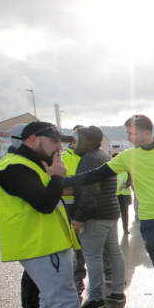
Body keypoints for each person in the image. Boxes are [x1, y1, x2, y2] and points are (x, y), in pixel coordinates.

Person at [0, 121, 108, 308]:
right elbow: (45, 203)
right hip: (41, 246)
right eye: (54, 140)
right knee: (65, 302)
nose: (60, 146)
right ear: (33, 139)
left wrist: (58, 180)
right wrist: (56, 177)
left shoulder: (30, 165)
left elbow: (53, 192)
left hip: (49, 245)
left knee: (49, 301)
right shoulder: (13, 167)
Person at [64, 115, 154, 308]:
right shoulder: (128, 156)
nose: (128, 137)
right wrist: (62, 182)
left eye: (131, 133)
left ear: (146, 132)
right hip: (149, 218)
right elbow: (96, 175)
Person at [71, 127, 127, 308]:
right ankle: (118, 291)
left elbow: (89, 190)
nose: (73, 144)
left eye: (76, 139)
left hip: (96, 215)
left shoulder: (88, 159)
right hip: (111, 211)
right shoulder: (103, 155)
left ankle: (95, 298)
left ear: (86, 141)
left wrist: (79, 217)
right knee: (114, 251)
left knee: (93, 256)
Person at [8, 124, 41, 308]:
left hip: (31, 226)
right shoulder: (15, 164)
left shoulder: (24, 161)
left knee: (34, 271)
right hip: (27, 227)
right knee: (33, 271)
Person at [61, 126, 87, 293]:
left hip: (84, 205)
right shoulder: (63, 157)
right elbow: (59, 184)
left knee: (82, 244)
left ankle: (79, 278)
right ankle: (75, 279)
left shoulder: (86, 157)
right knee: (72, 244)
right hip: (67, 207)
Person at [112, 152, 133, 234]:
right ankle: (114, 230)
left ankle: (125, 228)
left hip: (124, 194)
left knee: (125, 213)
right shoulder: (112, 168)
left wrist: (126, 184)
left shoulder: (127, 168)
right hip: (115, 194)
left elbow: (130, 180)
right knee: (115, 213)